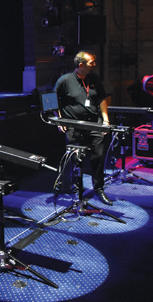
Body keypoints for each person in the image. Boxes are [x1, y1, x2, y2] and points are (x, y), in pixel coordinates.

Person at [54, 51, 114, 206]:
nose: (94, 65)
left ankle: (99, 189)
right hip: (74, 127)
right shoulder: (65, 80)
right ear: (81, 65)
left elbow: (101, 99)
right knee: (76, 160)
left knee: (98, 158)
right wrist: (60, 120)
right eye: (91, 62)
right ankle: (77, 192)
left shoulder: (94, 79)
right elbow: (52, 100)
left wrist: (106, 120)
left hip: (94, 124)